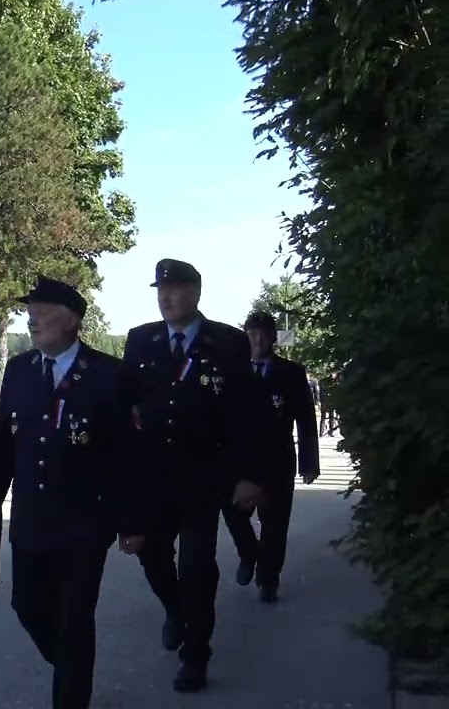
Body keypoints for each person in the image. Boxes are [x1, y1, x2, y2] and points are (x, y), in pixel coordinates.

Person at [0, 277, 146, 709]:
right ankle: (72, 668)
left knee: (75, 617)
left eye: (42, 313)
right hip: (30, 518)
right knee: (27, 606)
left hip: (85, 522)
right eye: (30, 313)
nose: (32, 320)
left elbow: (127, 456)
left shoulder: (108, 374)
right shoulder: (20, 370)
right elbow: (3, 446)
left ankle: (72, 694)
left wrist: (132, 523)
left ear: (70, 321)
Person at [121, 259, 268, 693]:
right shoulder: (141, 340)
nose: (166, 298)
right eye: (160, 291)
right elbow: (122, 407)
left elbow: (246, 414)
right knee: (152, 556)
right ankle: (175, 609)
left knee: (197, 567)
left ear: (196, 292)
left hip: (205, 476)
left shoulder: (227, 342)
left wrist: (248, 475)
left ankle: (196, 655)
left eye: (175, 290)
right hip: (153, 475)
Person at [221, 310, 320, 603]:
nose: (258, 340)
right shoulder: (231, 371)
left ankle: (268, 579)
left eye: (263, 334)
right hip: (237, 462)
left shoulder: (291, 373)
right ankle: (248, 553)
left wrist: (309, 463)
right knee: (233, 514)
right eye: (252, 334)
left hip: (276, 461)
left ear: (274, 337)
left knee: (275, 525)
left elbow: (305, 420)